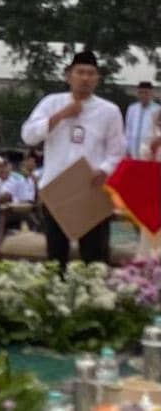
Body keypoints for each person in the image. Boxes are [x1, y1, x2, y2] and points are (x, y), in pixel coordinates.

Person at [21, 49, 126, 270]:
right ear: (69, 75)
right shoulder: (52, 102)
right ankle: (54, 301)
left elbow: (117, 152)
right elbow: (28, 135)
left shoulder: (109, 111)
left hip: (91, 189)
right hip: (57, 189)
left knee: (93, 256)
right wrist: (61, 115)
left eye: (91, 73)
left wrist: (105, 169)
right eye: (80, 72)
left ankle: (92, 301)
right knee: (56, 257)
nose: (85, 78)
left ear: (97, 78)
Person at [125, 81, 159, 159]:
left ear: (151, 93)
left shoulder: (157, 110)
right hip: (132, 149)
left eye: (146, 92)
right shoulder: (132, 109)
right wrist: (127, 148)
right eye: (141, 92)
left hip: (149, 151)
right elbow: (128, 129)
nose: (143, 95)